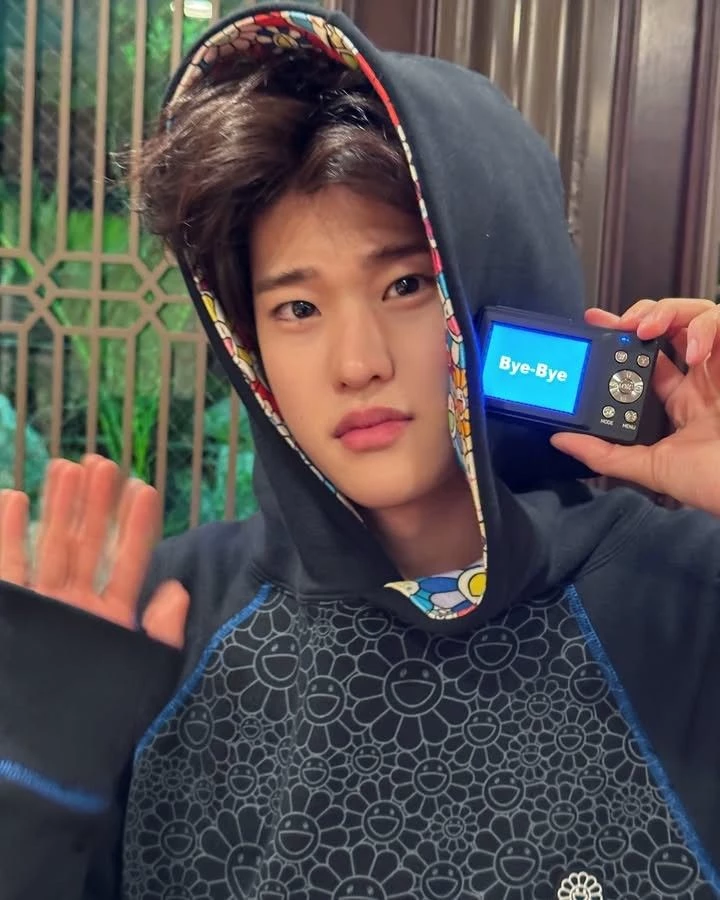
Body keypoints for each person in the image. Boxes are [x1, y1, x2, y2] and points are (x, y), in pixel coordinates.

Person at [1, 3, 719, 899]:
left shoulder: (689, 599)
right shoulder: (157, 623)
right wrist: (30, 802)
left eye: (407, 284)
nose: (356, 363)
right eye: (297, 308)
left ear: (502, 276)